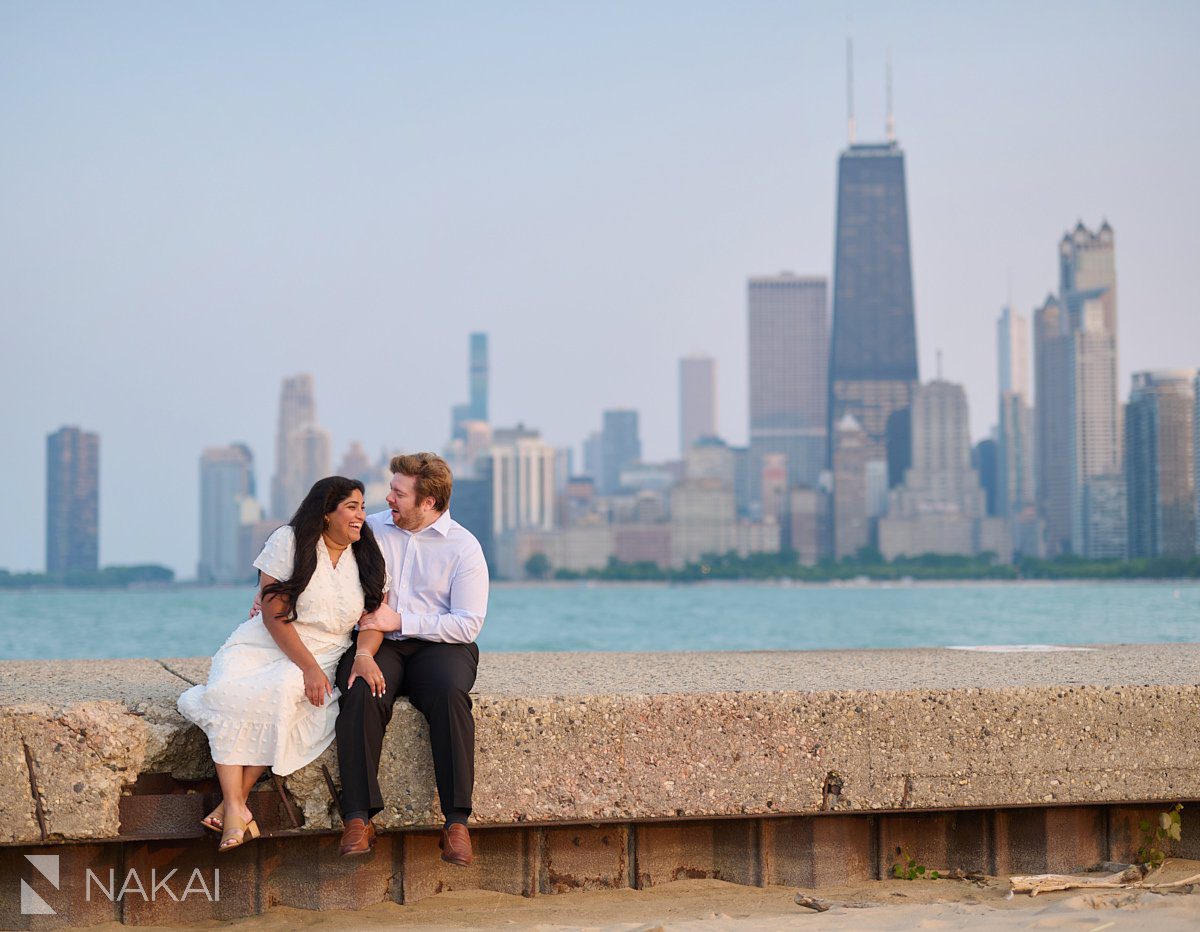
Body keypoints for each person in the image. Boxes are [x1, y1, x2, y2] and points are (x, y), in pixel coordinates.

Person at [178, 476, 387, 852]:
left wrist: (363, 654)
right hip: (266, 641)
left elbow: (374, 620)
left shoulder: (368, 554)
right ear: (326, 513)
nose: (361, 515)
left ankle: (231, 808)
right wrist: (306, 667)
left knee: (280, 692)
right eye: (352, 507)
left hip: (324, 650)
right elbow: (273, 612)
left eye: (362, 507)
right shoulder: (288, 541)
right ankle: (238, 807)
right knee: (227, 691)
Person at [333, 452, 489, 864]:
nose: (388, 499)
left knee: (449, 693)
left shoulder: (464, 547)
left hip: (442, 646)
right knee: (359, 687)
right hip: (380, 640)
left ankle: (456, 822)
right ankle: (357, 817)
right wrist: (268, 587)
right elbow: (314, 546)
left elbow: (467, 625)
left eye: (399, 493)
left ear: (429, 503)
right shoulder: (372, 530)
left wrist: (403, 617)